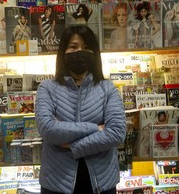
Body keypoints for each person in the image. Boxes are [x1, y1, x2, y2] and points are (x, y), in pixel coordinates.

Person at [35, 24, 126, 194]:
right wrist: (96, 128)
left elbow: (117, 132)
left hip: (102, 183)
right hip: (56, 183)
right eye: (73, 47)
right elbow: (48, 129)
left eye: (86, 47)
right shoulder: (47, 88)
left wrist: (72, 145)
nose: (80, 52)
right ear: (63, 52)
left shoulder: (107, 88)